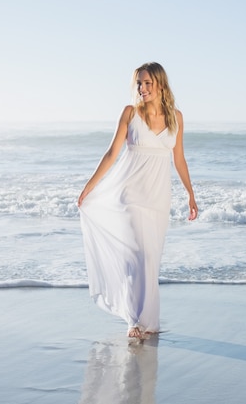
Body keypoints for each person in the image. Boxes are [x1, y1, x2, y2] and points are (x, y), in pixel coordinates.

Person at [78, 62, 198, 339]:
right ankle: (134, 320)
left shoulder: (176, 118)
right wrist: (88, 188)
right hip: (130, 195)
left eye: (147, 83)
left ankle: (148, 321)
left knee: (151, 259)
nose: (142, 89)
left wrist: (190, 194)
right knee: (139, 256)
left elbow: (179, 159)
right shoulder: (130, 113)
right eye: (139, 84)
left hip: (159, 198)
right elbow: (111, 154)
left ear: (160, 85)